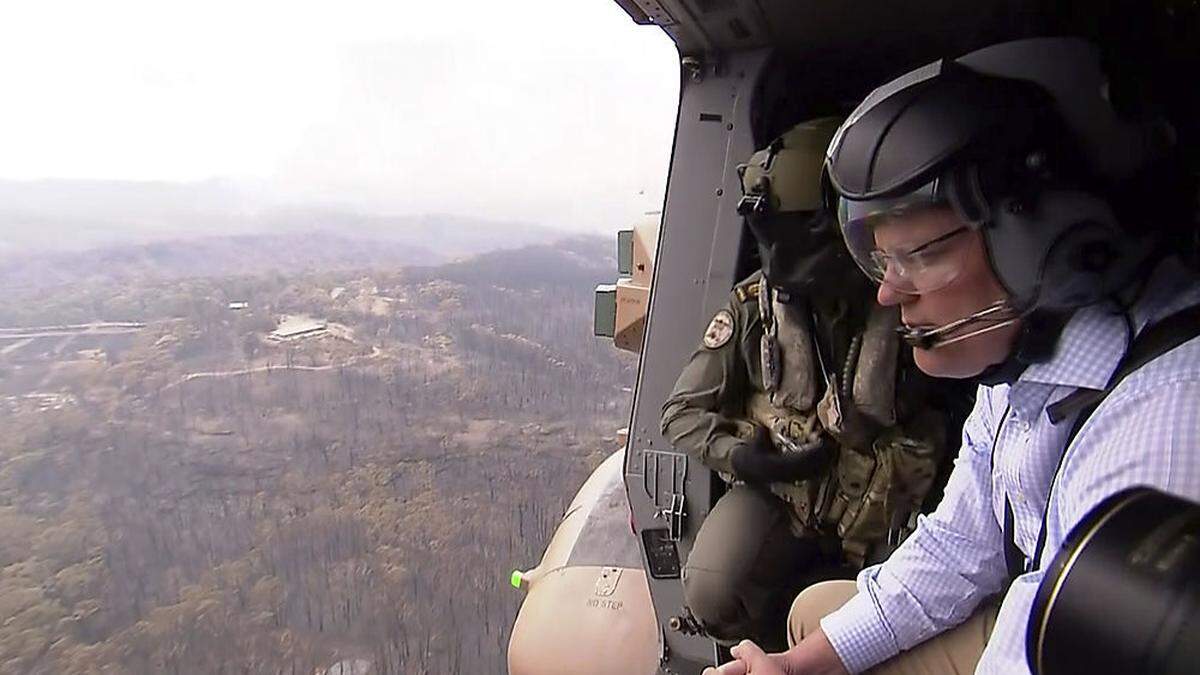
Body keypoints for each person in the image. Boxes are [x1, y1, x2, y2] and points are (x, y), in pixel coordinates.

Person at [704, 37, 1200, 675]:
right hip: (1035, 599)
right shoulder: (1022, 361)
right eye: (882, 261)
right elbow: (958, 544)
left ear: (1045, 242)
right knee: (816, 614)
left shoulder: (1158, 442)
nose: (888, 291)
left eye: (920, 256)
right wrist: (798, 668)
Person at [662, 118, 954, 651]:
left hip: (890, 512)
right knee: (712, 589)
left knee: (905, 632)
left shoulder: (911, 301)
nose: (777, 258)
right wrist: (746, 458)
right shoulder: (757, 308)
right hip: (787, 501)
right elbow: (681, 413)